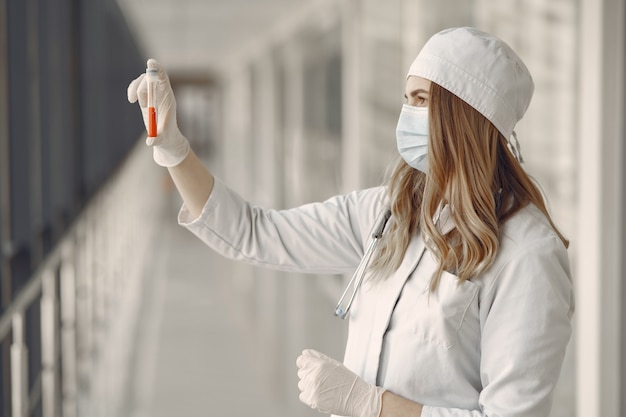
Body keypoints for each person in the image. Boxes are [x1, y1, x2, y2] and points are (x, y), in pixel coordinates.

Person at [127, 27, 574, 417]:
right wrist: (174, 151)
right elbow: (254, 233)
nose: (406, 115)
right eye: (406, 99)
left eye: (421, 100)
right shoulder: (390, 212)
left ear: (466, 118)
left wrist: (375, 406)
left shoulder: (528, 255)